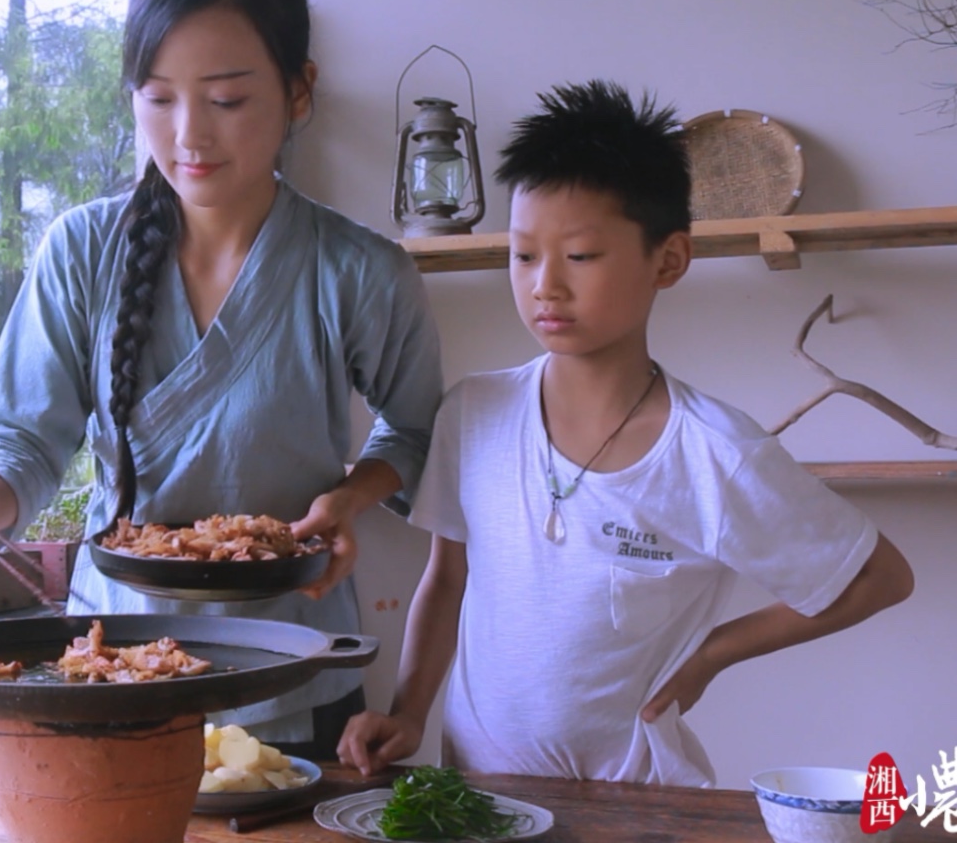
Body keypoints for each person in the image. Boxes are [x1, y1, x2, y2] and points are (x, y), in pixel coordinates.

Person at [0, 0, 443, 759]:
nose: (190, 134)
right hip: (116, 667)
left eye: (226, 99)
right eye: (158, 96)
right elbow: (23, 438)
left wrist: (351, 497)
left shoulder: (357, 270)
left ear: (300, 91)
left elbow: (418, 431)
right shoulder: (82, 250)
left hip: (296, 666)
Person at [338, 80, 914, 786]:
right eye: (522, 256)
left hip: (636, 808)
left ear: (667, 261)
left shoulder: (713, 453)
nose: (544, 285)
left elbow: (879, 577)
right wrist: (408, 712)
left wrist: (712, 652)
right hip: (480, 798)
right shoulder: (472, 412)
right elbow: (446, 576)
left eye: (579, 257)